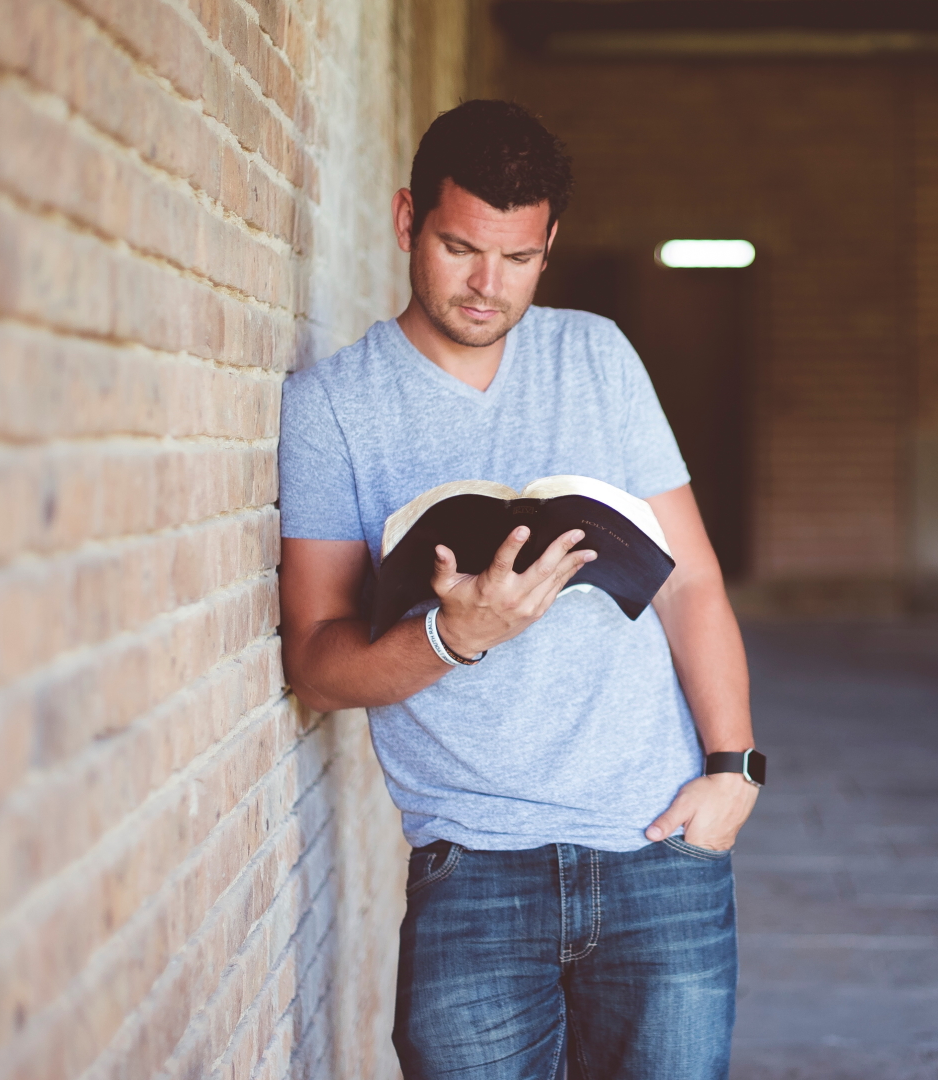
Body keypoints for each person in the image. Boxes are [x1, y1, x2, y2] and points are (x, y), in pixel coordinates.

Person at [276, 100, 761, 1080]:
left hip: (659, 846)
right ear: (409, 218)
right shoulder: (333, 409)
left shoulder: (599, 356)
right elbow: (318, 668)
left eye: (519, 258)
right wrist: (457, 638)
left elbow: (692, 581)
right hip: (475, 875)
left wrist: (734, 771)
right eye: (460, 248)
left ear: (551, 246)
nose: (487, 286)